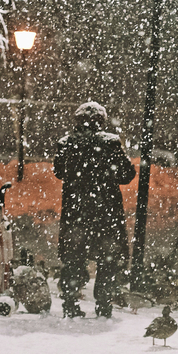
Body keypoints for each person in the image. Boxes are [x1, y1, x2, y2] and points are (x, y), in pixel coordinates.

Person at [53, 101, 136, 318]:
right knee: (107, 258)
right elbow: (126, 175)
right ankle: (103, 304)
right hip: (105, 211)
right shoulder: (110, 143)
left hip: (75, 211)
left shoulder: (66, 144)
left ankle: (70, 303)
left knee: (73, 258)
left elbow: (59, 172)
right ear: (101, 121)